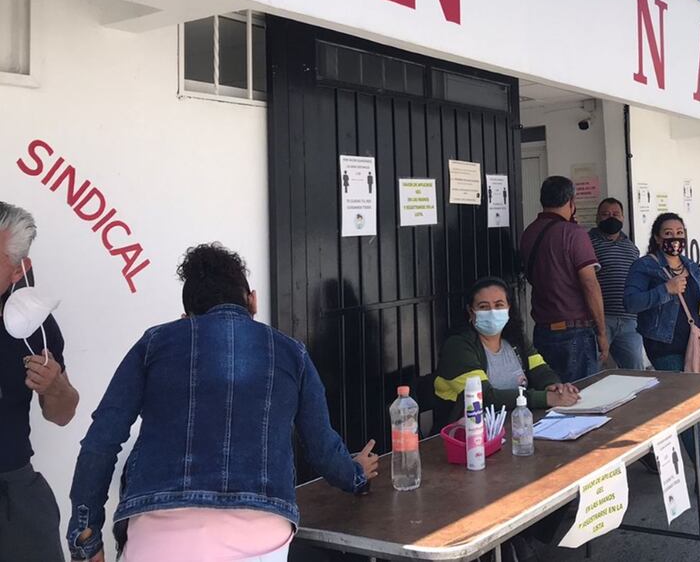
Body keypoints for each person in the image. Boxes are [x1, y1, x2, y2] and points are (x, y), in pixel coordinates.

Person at [67, 243, 378, 562]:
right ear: (252, 300)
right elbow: (322, 448)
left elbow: (102, 440)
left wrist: (85, 534)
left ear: (186, 316)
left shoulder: (154, 344)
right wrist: (355, 473)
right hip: (261, 540)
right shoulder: (292, 353)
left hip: (159, 541)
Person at [624, 213, 700, 501]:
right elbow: (630, 302)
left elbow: (699, 301)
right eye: (668, 233)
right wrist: (665, 290)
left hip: (692, 344)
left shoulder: (690, 265)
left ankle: (663, 454)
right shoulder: (645, 266)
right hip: (663, 345)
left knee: (684, 405)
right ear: (657, 238)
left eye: (679, 231)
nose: (675, 238)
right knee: (685, 406)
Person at [0, 203, 80, 562]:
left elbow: (62, 414)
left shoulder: (33, 325)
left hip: (12, 490)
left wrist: (54, 386)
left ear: (19, 269)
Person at [434, 276, 580, 426]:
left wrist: (554, 387)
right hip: (467, 432)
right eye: (483, 307)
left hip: (517, 424)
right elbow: (484, 397)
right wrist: (545, 398)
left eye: (499, 305)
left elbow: (540, 370)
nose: (492, 312)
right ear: (471, 312)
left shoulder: (515, 338)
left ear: (509, 308)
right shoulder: (457, 346)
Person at [519, 176, 607, 382]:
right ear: (571, 202)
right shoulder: (573, 233)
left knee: (551, 391)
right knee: (582, 394)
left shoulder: (529, 233)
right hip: (575, 332)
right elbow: (590, 284)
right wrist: (602, 332)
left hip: (542, 330)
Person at [589, 198, 646, 370]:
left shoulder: (631, 247)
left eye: (616, 214)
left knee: (636, 370)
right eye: (605, 214)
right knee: (593, 369)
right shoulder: (587, 243)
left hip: (629, 320)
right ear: (597, 218)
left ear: (623, 218)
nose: (611, 218)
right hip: (600, 319)